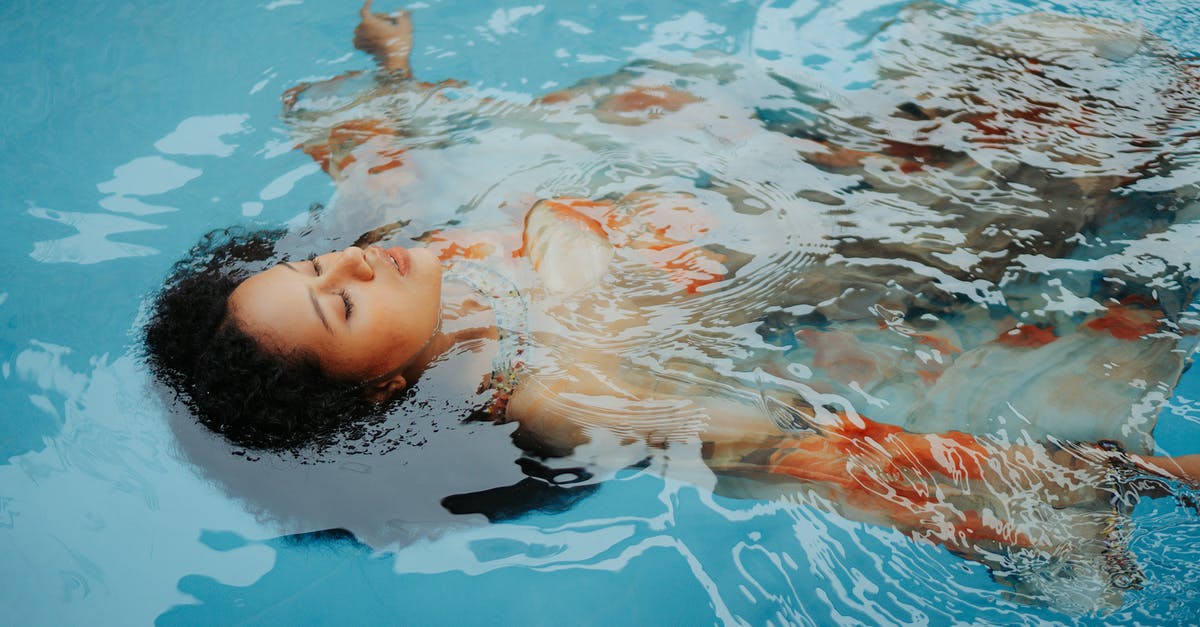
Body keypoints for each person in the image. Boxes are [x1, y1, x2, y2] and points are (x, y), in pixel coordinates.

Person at [144, 1, 1200, 607]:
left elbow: (376, 151)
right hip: (866, 254)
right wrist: (1151, 477)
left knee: (1057, 77)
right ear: (380, 386)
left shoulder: (386, 238)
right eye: (335, 308)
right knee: (1129, 149)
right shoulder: (560, 391)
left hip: (797, 161)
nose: (350, 274)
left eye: (314, 269)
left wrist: (392, 65)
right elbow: (811, 453)